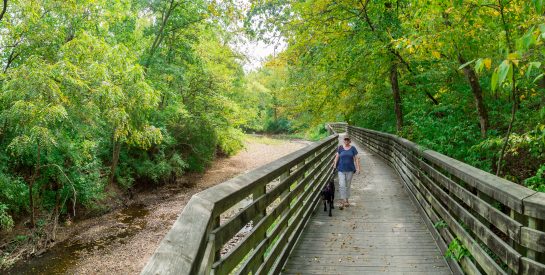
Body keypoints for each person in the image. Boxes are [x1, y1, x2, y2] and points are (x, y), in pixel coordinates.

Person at [332, 137, 360, 209]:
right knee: (342, 185)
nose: (346, 141)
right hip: (341, 169)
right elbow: (337, 156)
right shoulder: (340, 148)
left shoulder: (353, 148)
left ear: (350, 141)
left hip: (350, 170)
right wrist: (335, 164)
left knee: (347, 185)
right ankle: (342, 201)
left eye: (347, 140)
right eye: (345, 139)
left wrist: (358, 168)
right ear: (343, 140)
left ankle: (347, 200)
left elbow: (356, 158)